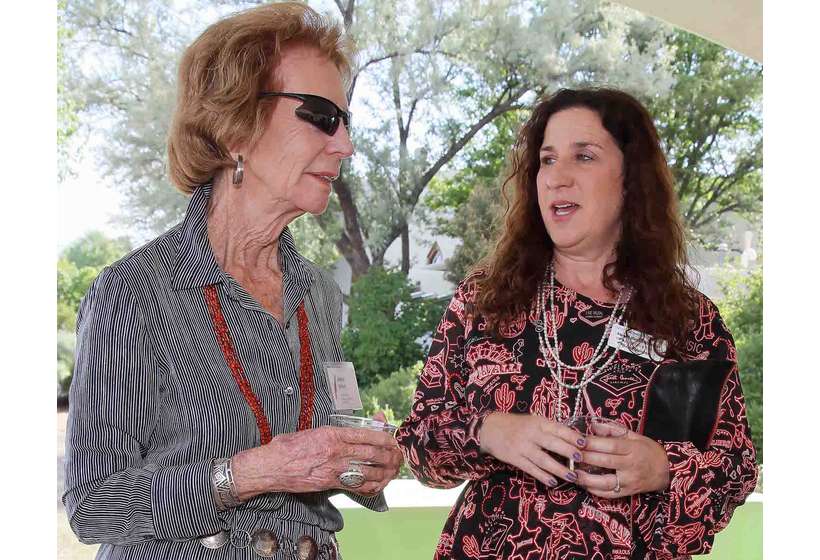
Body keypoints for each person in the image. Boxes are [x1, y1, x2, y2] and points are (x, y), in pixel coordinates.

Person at [62, 3, 403, 559]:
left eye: (346, 123)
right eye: (321, 115)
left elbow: (331, 434)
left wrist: (364, 464)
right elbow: (95, 504)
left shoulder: (318, 294)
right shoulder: (133, 293)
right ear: (234, 126)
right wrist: (253, 473)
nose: (344, 145)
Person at [395, 88, 758, 559]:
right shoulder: (484, 299)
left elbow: (733, 467)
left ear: (631, 180)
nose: (557, 177)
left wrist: (663, 466)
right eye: (547, 160)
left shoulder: (689, 323)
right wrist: (488, 432)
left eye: (583, 156)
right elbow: (420, 443)